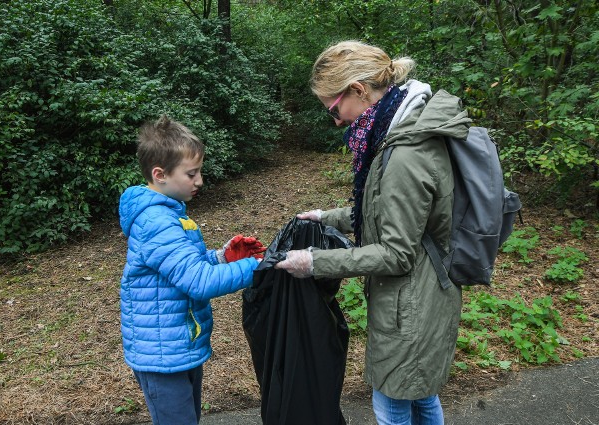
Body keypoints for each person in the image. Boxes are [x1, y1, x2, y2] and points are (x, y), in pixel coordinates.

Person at [275, 41, 471, 425]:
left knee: (393, 404)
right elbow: (390, 214)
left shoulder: (405, 151)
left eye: (333, 108)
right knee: (421, 394)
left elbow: (396, 254)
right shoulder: (396, 132)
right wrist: (326, 217)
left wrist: (315, 261)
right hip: (419, 295)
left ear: (359, 90)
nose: (335, 120)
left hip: (411, 306)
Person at [119, 114, 265, 425]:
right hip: (162, 356)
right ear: (160, 174)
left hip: (176, 345)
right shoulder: (156, 222)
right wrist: (258, 267)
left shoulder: (169, 215)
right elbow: (198, 282)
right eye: (192, 173)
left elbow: (184, 268)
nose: (199, 181)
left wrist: (223, 257)